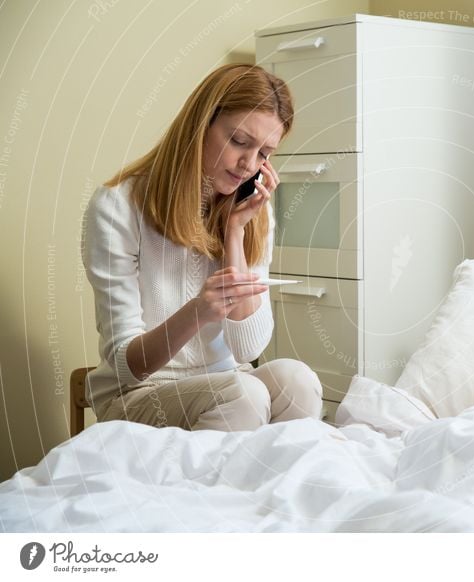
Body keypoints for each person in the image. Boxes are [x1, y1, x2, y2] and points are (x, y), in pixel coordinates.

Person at [82, 63, 323, 431]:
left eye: (264, 153)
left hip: (227, 382)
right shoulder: (118, 206)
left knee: (297, 381)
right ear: (201, 124)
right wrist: (198, 311)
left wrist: (235, 233)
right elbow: (126, 365)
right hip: (139, 393)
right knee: (244, 394)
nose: (249, 164)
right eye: (240, 141)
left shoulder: (253, 212)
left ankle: (274, 486)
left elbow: (248, 350)